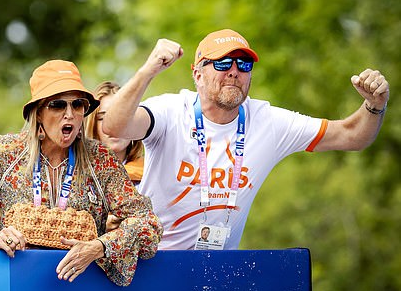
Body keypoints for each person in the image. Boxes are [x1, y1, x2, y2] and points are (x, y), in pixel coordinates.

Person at [103, 29, 389, 250]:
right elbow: (115, 125)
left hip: (218, 273)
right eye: (223, 62)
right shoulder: (171, 111)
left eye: (244, 65)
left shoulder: (267, 122)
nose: (234, 72)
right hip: (153, 263)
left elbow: (352, 135)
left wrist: (375, 104)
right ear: (197, 74)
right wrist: (148, 69)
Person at [0, 60, 162, 286]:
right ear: (38, 112)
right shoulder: (6, 153)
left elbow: (147, 223)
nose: (70, 114)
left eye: (78, 104)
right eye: (58, 105)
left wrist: (99, 247)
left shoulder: (100, 159)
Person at [86, 81, 145, 232]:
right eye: (102, 118)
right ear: (92, 124)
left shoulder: (151, 172)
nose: (114, 125)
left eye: (121, 116)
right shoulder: (77, 172)